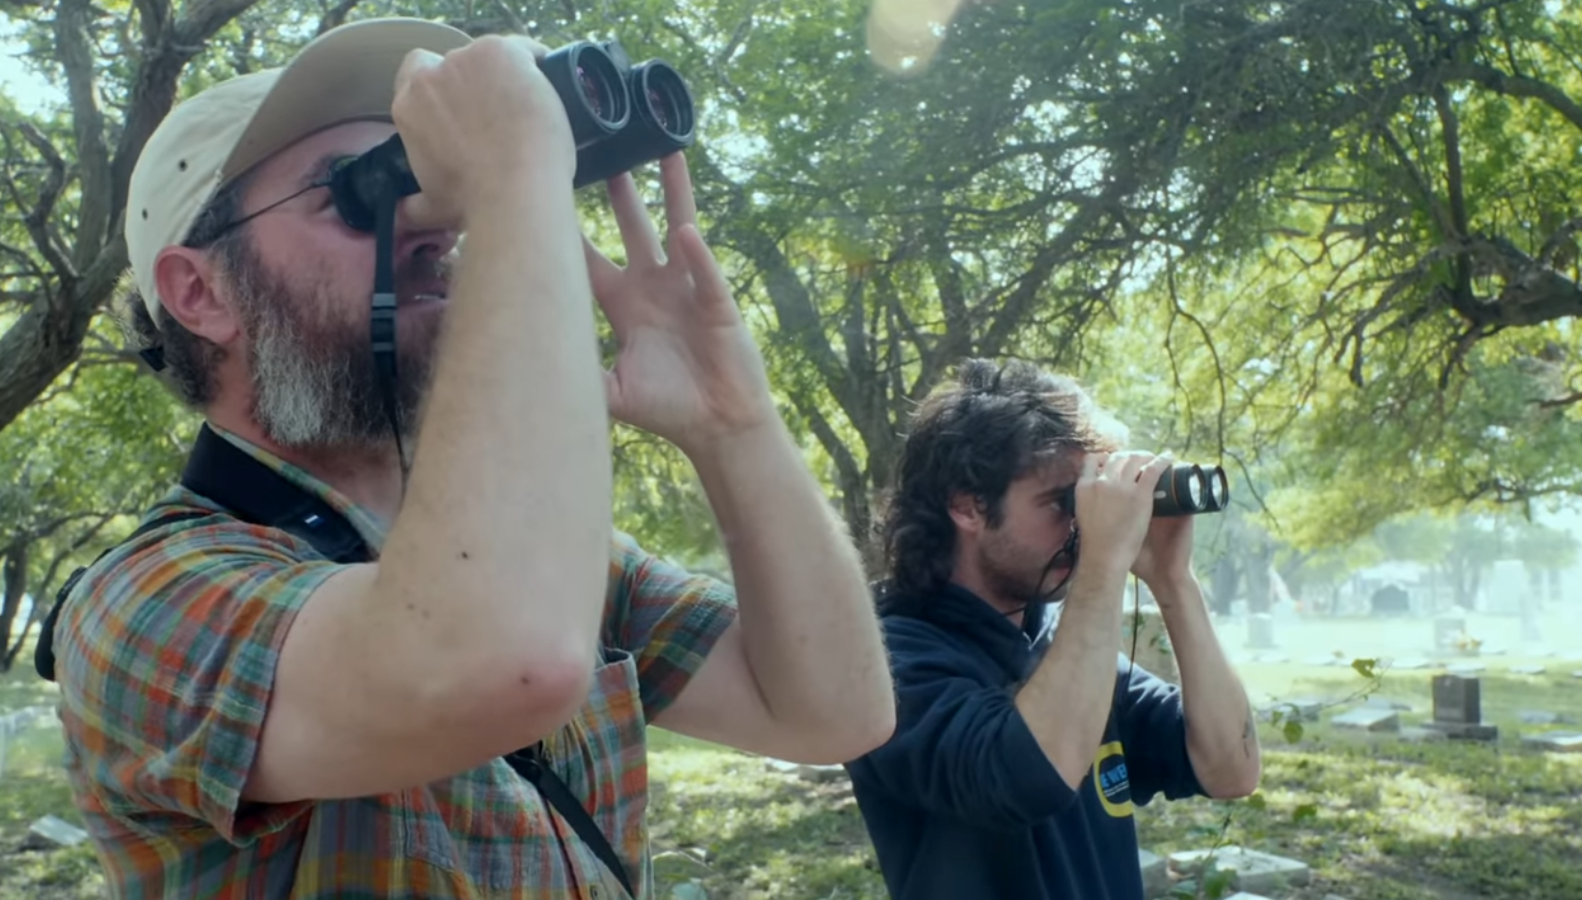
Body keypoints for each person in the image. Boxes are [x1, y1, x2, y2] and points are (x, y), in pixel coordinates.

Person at [45, 17, 895, 899]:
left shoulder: (557, 562)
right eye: (358, 193)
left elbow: (833, 711)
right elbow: (499, 660)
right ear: (200, 291)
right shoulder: (143, 602)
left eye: (425, 177)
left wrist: (734, 423)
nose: (431, 228)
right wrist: (513, 173)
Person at [844, 358, 1261, 900]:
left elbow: (1232, 770)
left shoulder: (1055, 647)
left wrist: (1175, 583)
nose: (1084, 527)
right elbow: (1027, 776)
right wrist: (1104, 565)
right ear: (968, 505)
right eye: (1064, 502)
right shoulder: (887, 659)